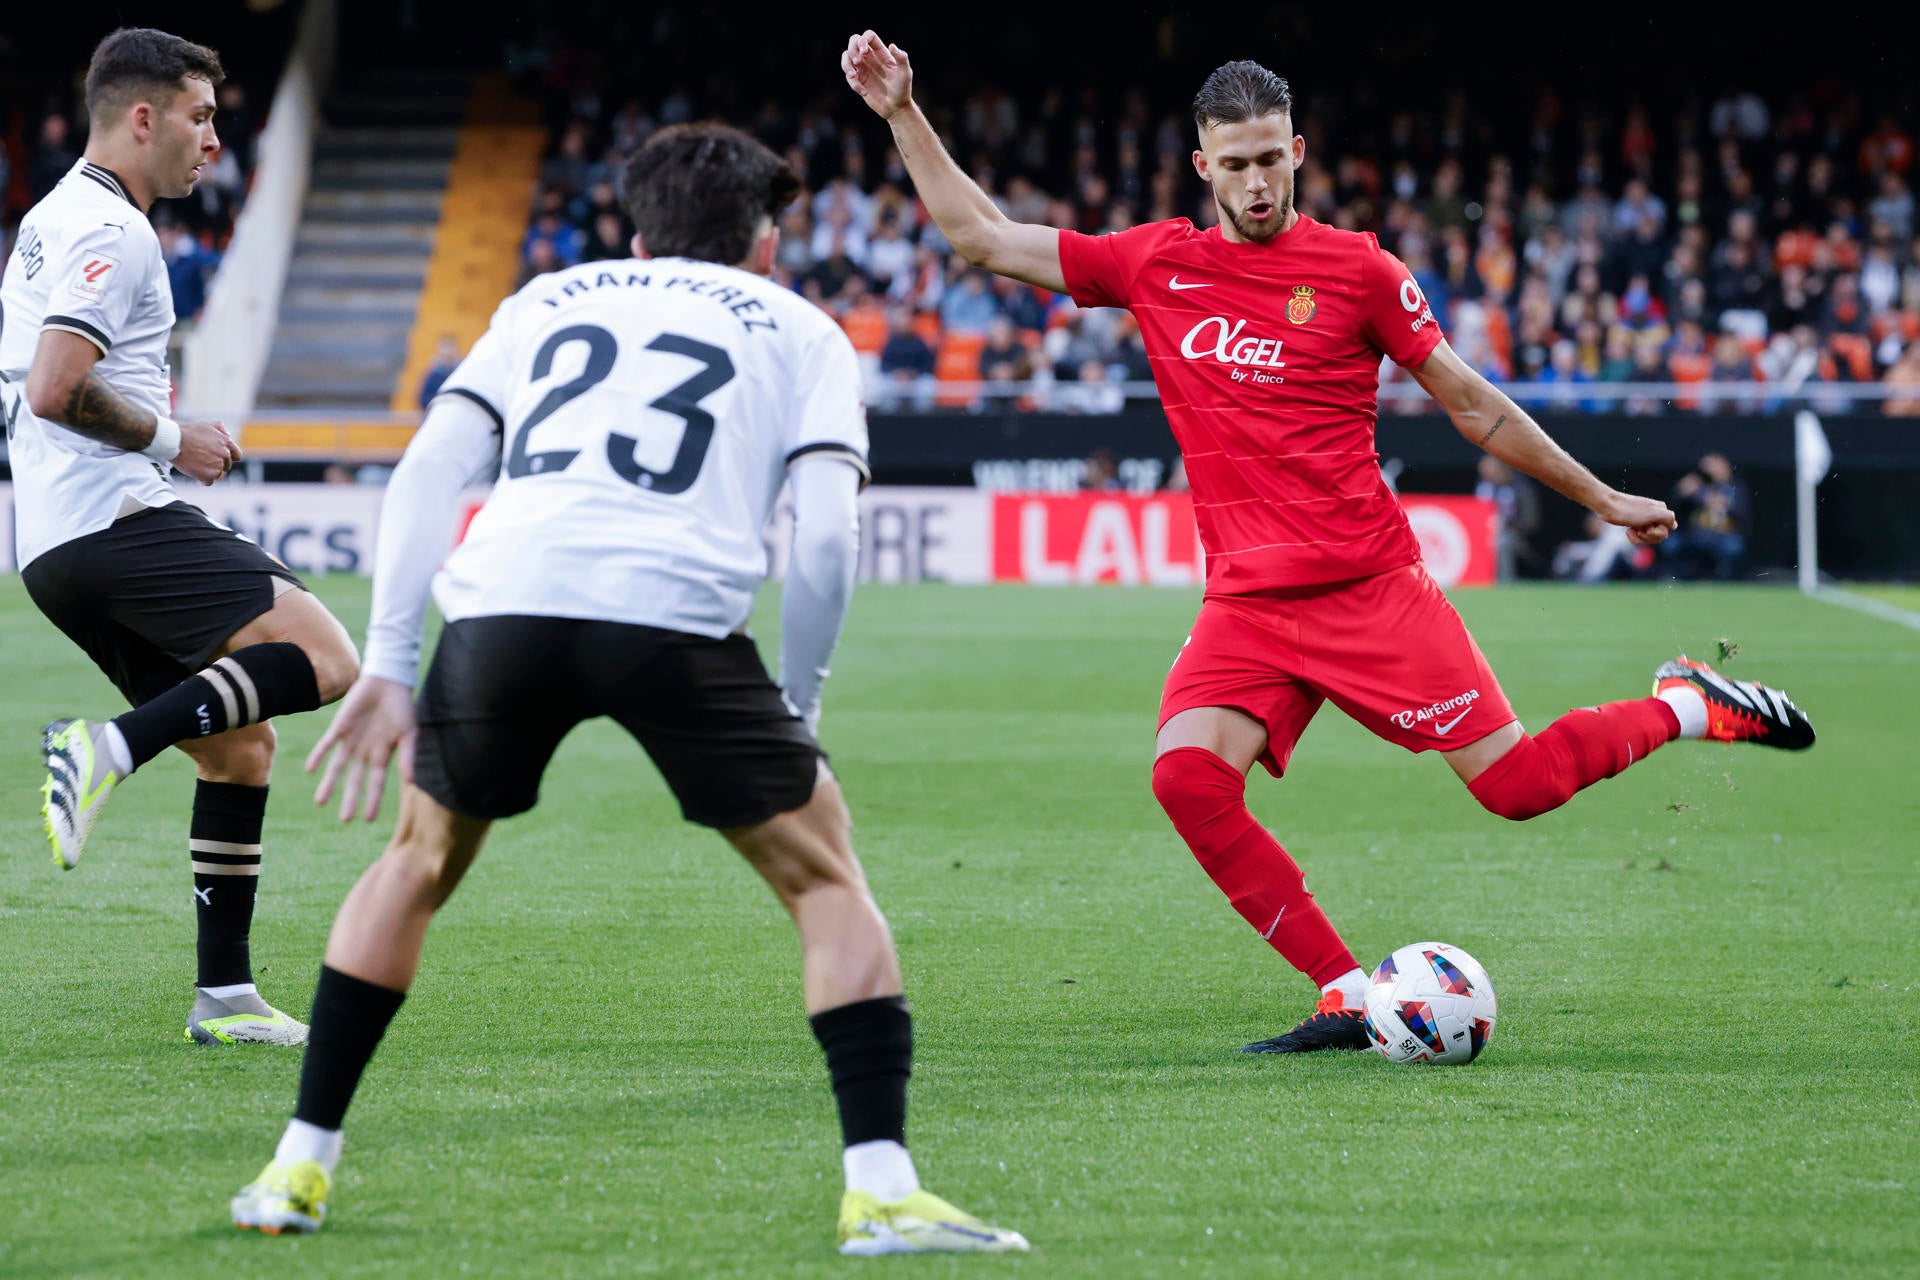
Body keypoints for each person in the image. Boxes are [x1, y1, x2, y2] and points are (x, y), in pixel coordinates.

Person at [844, 34, 1816, 1053]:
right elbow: (984, 239)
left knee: (1517, 786)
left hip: (1369, 587)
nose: (1257, 181)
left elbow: (1472, 406)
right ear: (1202, 165)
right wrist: (904, 112)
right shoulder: (1154, 263)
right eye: (1237, 162)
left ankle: (1685, 704)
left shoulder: (1357, 270)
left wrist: (1601, 494)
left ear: (1298, 151)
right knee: (1186, 777)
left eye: (1273, 158)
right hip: (1249, 606)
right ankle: (1347, 991)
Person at [227, 121, 1026, 1256]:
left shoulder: (545, 299)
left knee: (414, 860)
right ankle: (883, 1188)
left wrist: (392, 662)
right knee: (826, 879)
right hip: (675, 616)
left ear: (637, 232)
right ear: (764, 240)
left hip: (504, 603)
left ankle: (296, 1166)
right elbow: (831, 537)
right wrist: (800, 704)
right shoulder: (802, 327)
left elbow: (428, 472)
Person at [5, 28, 361, 1046]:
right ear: (143, 117)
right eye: (201, 117)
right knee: (328, 657)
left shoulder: (54, 216)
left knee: (240, 748)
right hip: (118, 515)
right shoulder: (114, 235)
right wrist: (177, 438)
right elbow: (56, 387)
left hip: (60, 543)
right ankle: (106, 745)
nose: (215, 140)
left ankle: (225, 995)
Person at [1665, 453, 1748, 580]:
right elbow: (1674, 509)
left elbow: (1741, 514)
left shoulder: (1734, 488)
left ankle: (1729, 581)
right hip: (1693, 535)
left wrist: (1719, 502)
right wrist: (1681, 493)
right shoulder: (1695, 486)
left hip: (1722, 536)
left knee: (1733, 546)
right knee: (1671, 543)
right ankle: (1674, 578)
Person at [414, 334, 460, 408]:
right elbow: (422, 399)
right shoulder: (432, 375)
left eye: (450, 346)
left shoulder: (461, 373)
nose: (448, 352)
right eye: (445, 346)